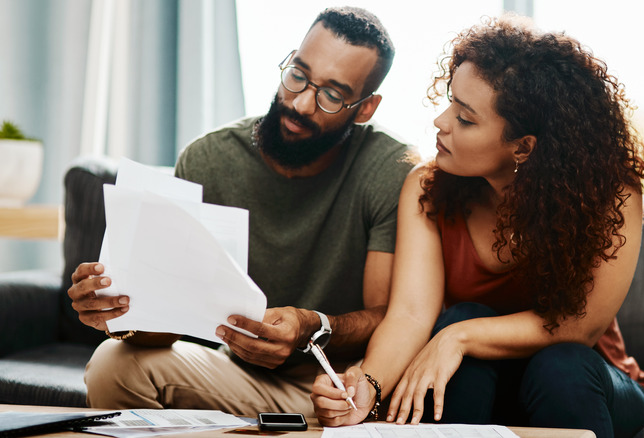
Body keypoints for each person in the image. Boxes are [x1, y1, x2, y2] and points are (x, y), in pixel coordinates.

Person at [311, 14, 644, 438]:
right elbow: (410, 314)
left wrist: (459, 337)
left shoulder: (612, 193)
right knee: (459, 323)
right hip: (483, 390)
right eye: (450, 102)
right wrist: (365, 388)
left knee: (559, 364)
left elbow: (580, 326)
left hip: (584, 385)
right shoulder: (426, 188)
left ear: (523, 147)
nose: (440, 122)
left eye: (465, 118)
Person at [67, 6, 414, 417]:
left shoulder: (389, 169)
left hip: (337, 385)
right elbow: (166, 328)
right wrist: (122, 312)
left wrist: (311, 327)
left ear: (365, 108)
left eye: (333, 95)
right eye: (298, 74)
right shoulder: (209, 159)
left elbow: (387, 317)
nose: (301, 103)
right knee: (113, 364)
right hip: (235, 374)